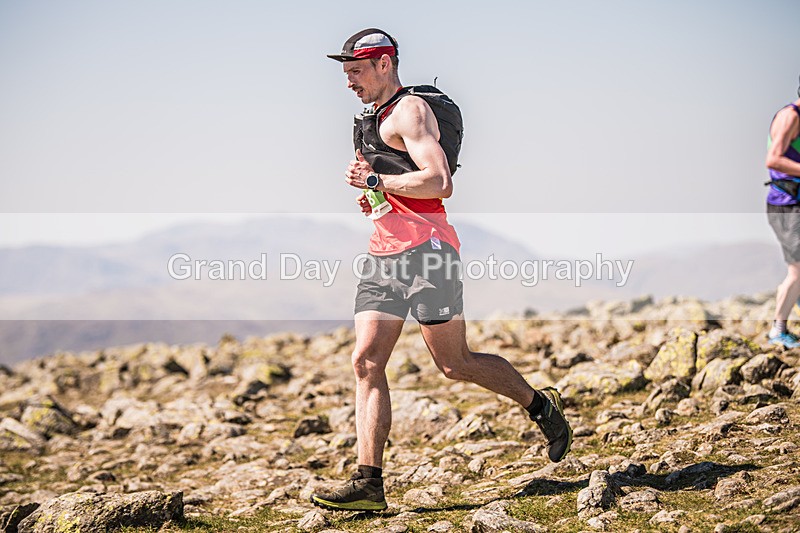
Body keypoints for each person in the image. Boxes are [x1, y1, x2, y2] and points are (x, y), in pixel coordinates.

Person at [311, 28, 572, 512]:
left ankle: (541, 406)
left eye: (356, 71)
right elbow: (394, 183)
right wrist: (374, 192)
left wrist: (374, 178)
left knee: (455, 364)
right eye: (345, 73)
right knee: (366, 361)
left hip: (428, 252)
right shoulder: (370, 118)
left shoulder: (410, 111)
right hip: (383, 253)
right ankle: (369, 484)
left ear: (385, 63)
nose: (349, 81)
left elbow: (439, 181)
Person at [766, 80, 800, 349]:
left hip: (794, 202)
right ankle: (778, 331)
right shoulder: (790, 116)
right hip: (787, 205)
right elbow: (773, 158)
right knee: (798, 271)